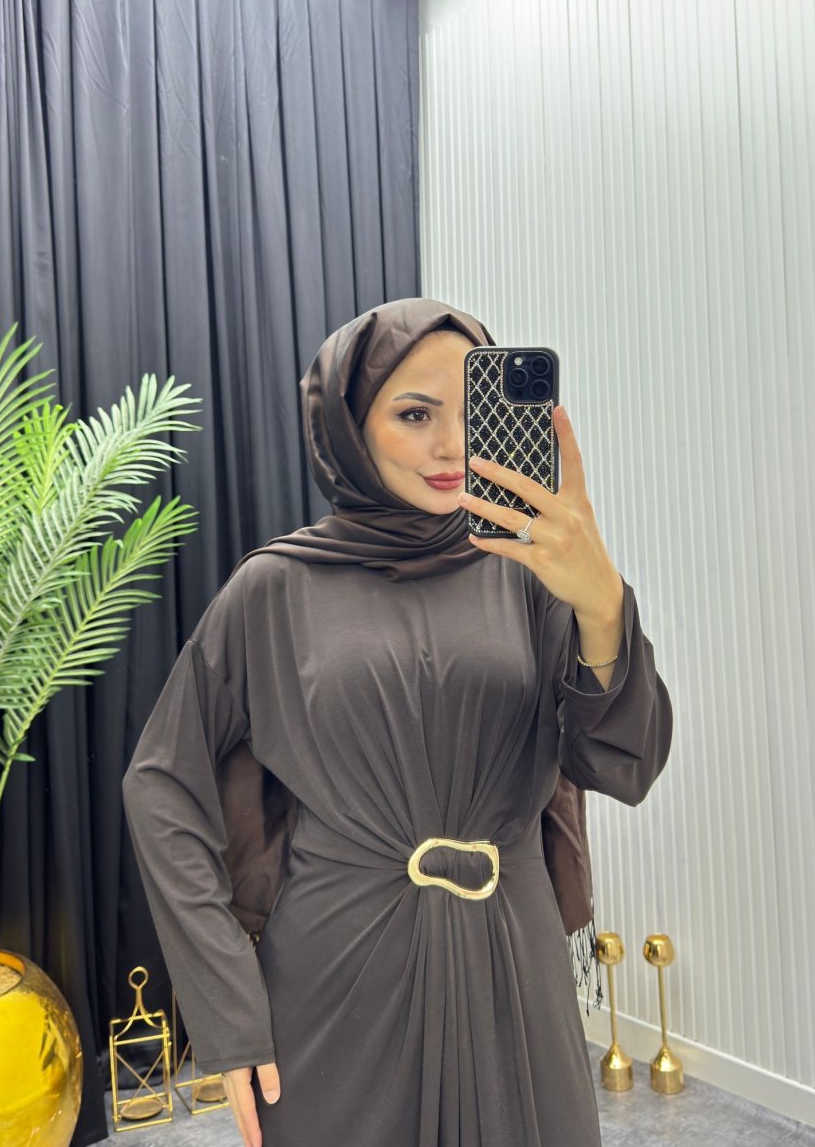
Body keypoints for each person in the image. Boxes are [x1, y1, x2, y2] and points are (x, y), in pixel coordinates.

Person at [122, 298, 673, 1147]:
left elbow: (623, 764)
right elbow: (162, 781)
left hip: (513, 960)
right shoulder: (275, 589)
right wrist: (229, 1005)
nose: (452, 445)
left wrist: (603, 606)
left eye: (470, 412)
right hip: (337, 975)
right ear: (349, 427)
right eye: (416, 414)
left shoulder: (531, 575)